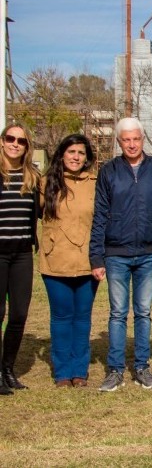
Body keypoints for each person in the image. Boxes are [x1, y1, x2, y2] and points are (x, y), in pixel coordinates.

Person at [90, 118, 152, 392]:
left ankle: (141, 367)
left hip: (150, 253)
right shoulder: (109, 171)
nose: (132, 144)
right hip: (116, 254)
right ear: (119, 141)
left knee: (144, 313)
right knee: (117, 313)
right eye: (126, 140)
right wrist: (97, 257)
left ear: (143, 139)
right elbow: (100, 214)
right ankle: (114, 370)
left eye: (136, 139)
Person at [40, 134, 100, 388]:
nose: (76, 157)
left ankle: (80, 370)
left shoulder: (96, 182)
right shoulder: (46, 182)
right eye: (71, 152)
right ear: (62, 154)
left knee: (83, 317)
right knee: (62, 317)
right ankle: (63, 371)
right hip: (56, 261)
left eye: (81, 153)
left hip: (88, 261)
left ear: (87, 158)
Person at [0, 124, 40, 395]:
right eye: (10, 138)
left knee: (18, 314)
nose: (15, 144)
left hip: (22, 253)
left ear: (27, 147)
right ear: (2, 142)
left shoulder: (32, 177)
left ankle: (7, 369)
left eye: (21, 141)